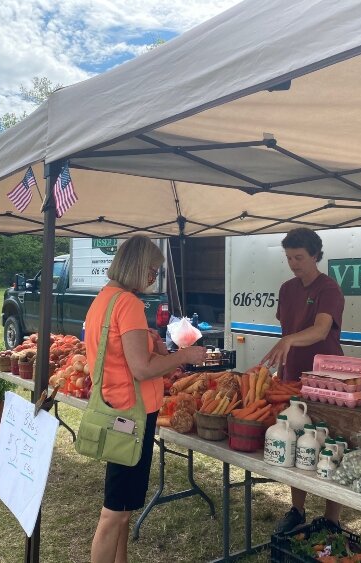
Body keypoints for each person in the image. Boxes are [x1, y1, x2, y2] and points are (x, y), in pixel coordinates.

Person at [86, 235, 207, 563]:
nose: (154, 277)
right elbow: (141, 369)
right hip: (132, 415)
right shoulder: (128, 303)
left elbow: (121, 355)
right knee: (114, 512)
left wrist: (148, 343)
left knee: (123, 508)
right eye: (152, 270)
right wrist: (185, 356)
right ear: (136, 266)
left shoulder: (106, 299)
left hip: (119, 409)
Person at [260, 227, 345, 533]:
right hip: (292, 375)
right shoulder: (287, 288)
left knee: (327, 441)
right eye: (288, 257)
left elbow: (321, 330)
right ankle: (297, 509)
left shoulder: (329, 289)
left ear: (315, 255)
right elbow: (288, 328)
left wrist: (289, 340)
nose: (293, 263)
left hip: (326, 379)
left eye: (299, 257)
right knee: (295, 437)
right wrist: (286, 347)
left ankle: (332, 517)